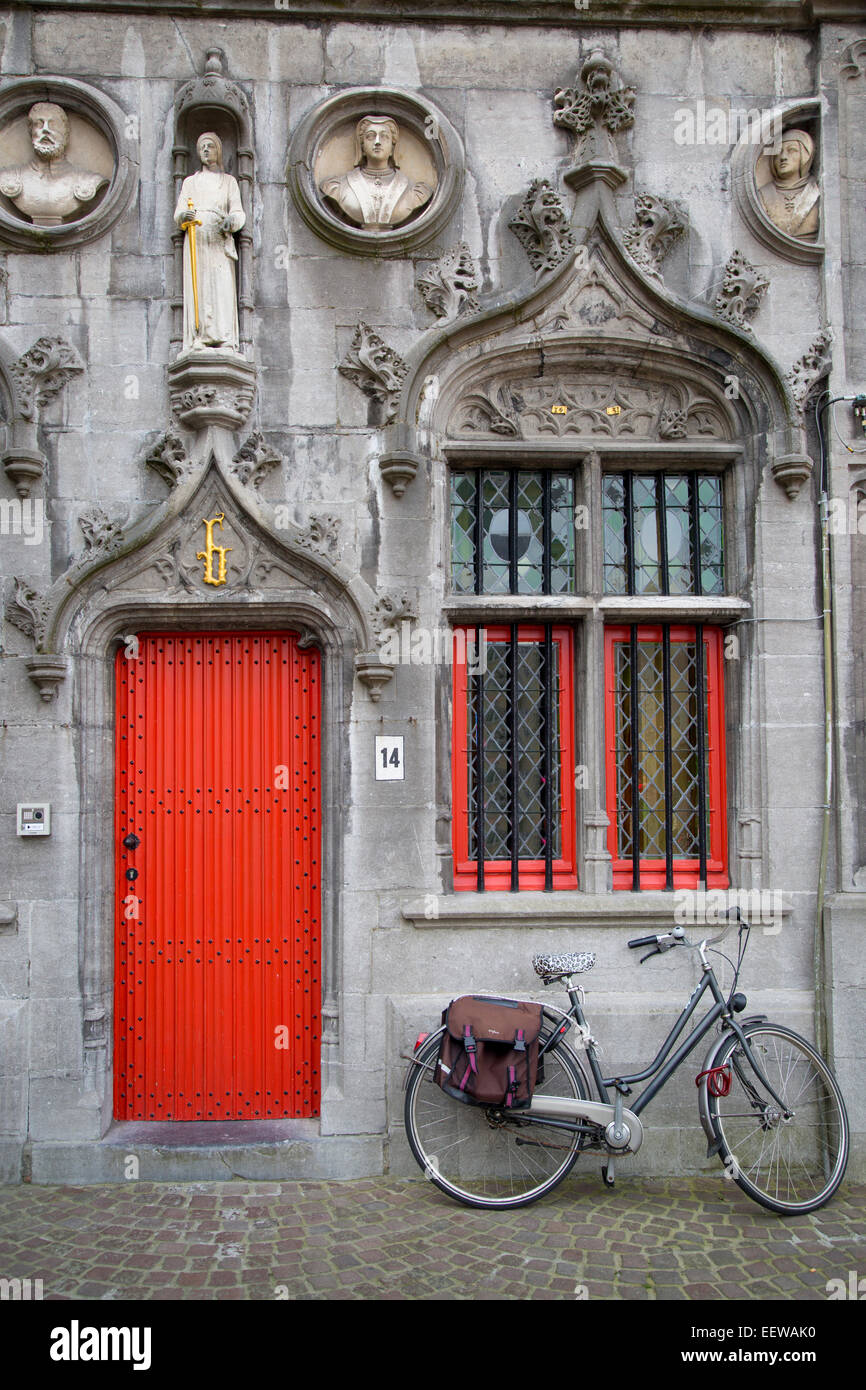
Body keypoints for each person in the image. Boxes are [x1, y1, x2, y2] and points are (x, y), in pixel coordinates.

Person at [173, 132, 245, 353]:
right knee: (199, 286)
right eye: (202, 147)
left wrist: (230, 222)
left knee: (221, 286)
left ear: (218, 151)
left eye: (210, 146)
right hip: (196, 241)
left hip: (218, 241)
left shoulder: (228, 182)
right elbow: (178, 213)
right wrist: (184, 216)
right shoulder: (190, 182)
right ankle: (199, 336)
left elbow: (239, 213)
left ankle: (224, 337)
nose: (205, 150)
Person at [0, 102, 108, 226]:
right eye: (39, 124)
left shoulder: (90, 180)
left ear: (66, 134)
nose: (45, 129)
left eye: (53, 124)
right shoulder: (7, 177)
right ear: (31, 132)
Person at [320, 115, 433, 231]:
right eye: (370, 137)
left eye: (384, 137)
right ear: (362, 147)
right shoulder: (338, 187)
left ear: (392, 147)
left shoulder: (415, 192)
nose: (377, 142)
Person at [759, 129, 820, 240]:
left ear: (805, 155)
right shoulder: (763, 194)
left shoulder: (817, 192)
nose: (783, 157)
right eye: (778, 152)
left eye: (791, 150)